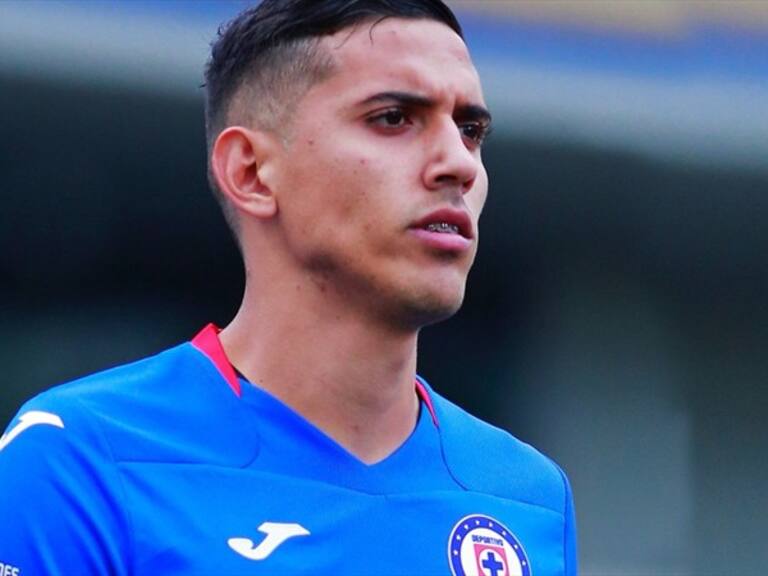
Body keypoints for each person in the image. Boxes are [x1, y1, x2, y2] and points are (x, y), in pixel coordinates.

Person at [0, 1, 576, 574]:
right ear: (250, 172)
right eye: (394, 118)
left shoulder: (527, 496)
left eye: (470, 130)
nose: (459, 163)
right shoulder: (80, 458)